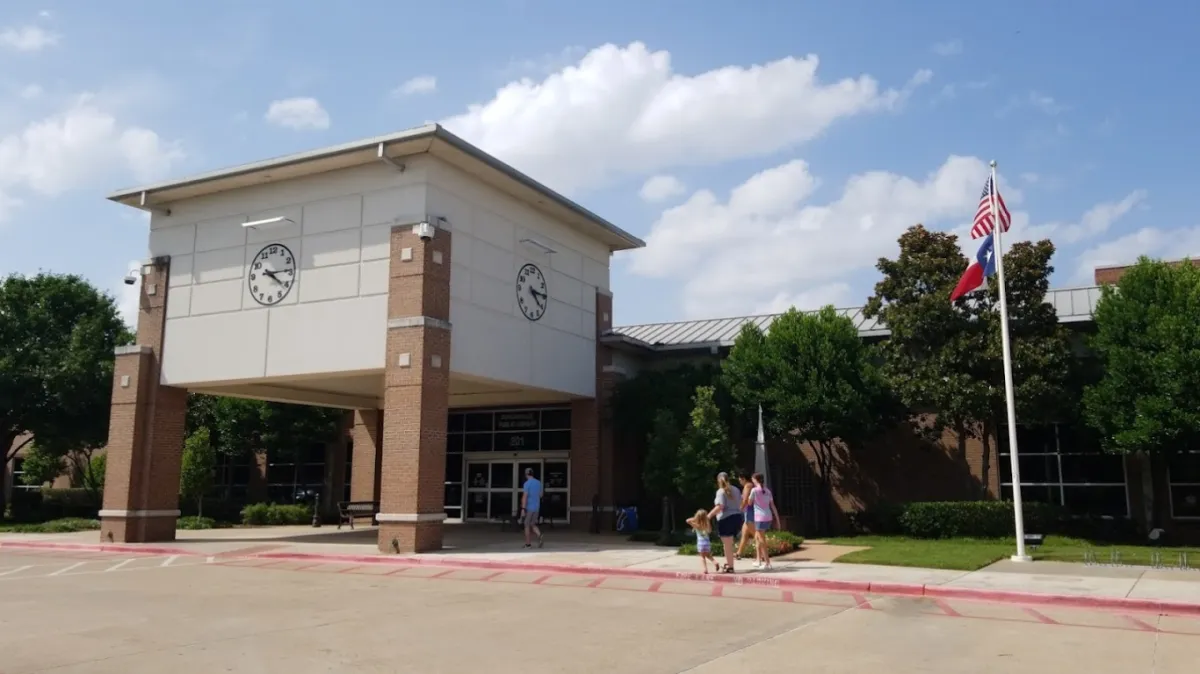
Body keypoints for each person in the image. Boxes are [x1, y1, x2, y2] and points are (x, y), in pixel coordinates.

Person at [706, 472, 743, 573]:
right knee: (730, 543)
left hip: (725, 518)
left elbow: (720, 506)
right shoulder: (736, 489)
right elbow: (741, 503)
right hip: (737, 517)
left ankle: (730, 566)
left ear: (718, 480)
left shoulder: (720, 491)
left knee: (727, 544)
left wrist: (708, 516)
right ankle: (729, 562)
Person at [748, 472, 781, 570]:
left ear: (755, 480)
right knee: (758, 538)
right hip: (768, 516)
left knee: (761, 540)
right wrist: (778, 520)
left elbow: (749, 503)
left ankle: (767, 562)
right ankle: (758, 560)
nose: (752, 481)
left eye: (752, 479)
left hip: (759, 518)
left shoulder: (754, 490)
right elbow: (773, 506)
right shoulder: (768, 491)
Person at [520, 467, 544, 548]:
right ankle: (539, 535)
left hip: (529, 507)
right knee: (532, 524)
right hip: (537, 507)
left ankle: (528, 544)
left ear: (526, 474)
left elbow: (525, 497)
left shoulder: (527, 484)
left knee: (526, 525)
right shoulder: (538, 483)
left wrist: (523, 509)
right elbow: (541, 495)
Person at [686, 509, 715, 574]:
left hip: (700, 543)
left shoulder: (697, 525)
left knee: (702, 557)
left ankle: (705, 569)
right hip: (707, 543)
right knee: (708, 555)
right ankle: (715, 562)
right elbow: (710, 531)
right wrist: (705, 519)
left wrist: (696, 518)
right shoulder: (707, 526)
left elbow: (687, 520)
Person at [734, 473, 756, 561]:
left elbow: (745, 499)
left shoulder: (748, 486)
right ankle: (738, 553)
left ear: (743, 478)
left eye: (740, 479)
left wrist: (740, 508)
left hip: (749, 512)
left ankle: (762, 554)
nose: (739, 482)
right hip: (748, 511)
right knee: (744, 534)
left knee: (756, 535)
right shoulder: (749, 485)